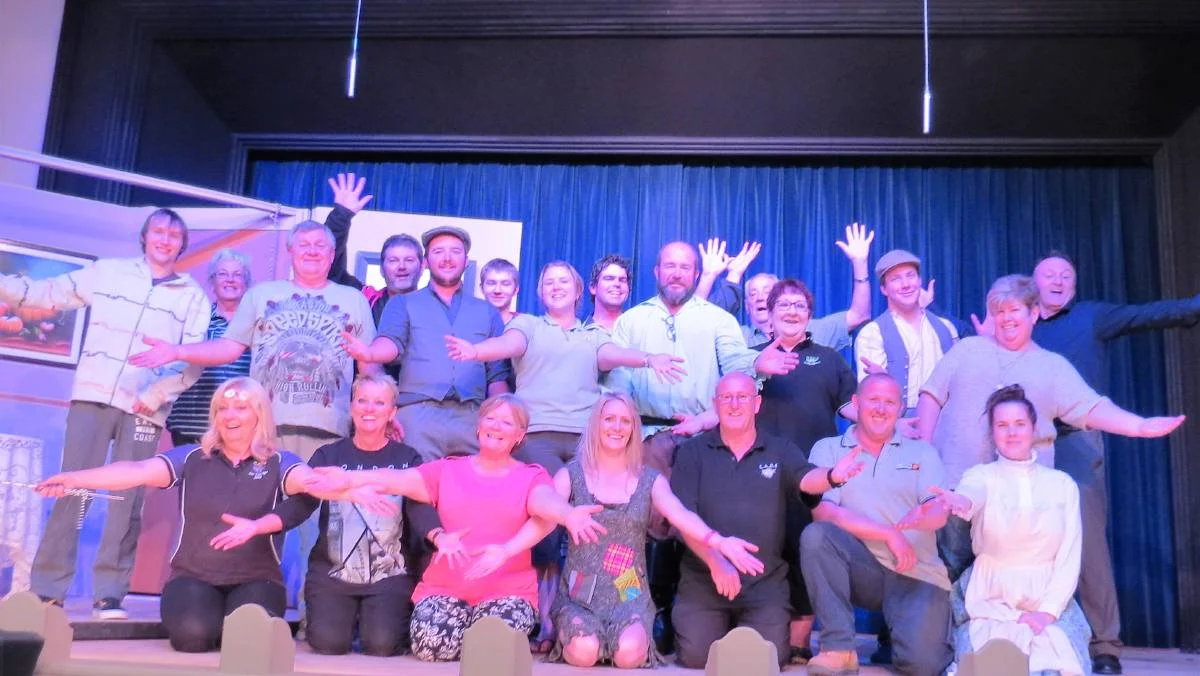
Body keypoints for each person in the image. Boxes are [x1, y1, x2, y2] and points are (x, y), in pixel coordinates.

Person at [131, 218, 378, 604]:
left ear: (332, 255)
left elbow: (368, 368)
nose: (313, 251)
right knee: (255, 523)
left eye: (321, 246)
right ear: (291, 252)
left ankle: (314, 617)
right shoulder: (261, 295)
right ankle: (249, 609)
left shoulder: (355, 300)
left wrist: (382, 413)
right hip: (264, 430)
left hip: (328, 430)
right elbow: (228, 348)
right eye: (304, 244)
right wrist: (178, 351)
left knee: (320, 530)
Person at [32, 377, 378, 652]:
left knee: (248, 641)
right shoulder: (193, 457)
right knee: (193, 635)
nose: (230, 416)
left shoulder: (279, 462)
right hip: (194, 577)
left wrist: (346, 489)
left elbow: (310, 481)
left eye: (240, 408)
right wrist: (75, 479)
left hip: (258, 580)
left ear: (259, 414)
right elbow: (136, 470)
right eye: (222, 408)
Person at [445, 260, 685, 649]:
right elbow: (508, 346)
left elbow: (612, 355)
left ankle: (618, 613)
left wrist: (648, 359)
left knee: (605, 526)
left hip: (586, 441)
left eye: (563, 282)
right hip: (537, 438)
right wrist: (475, 351)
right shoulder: (528, 326)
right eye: (548, 282)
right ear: (540, 292)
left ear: (577, 292)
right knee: (550, 522)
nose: (556, 286)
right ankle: (548, 621)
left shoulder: (592, 334)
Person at [1, 208, 211, 618]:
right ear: (145, 236)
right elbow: (46, 293)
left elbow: (193, 359)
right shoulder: (108, 272)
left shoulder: (193, 296)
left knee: (125, 499)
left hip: (144, 409)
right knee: (71, 488)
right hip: (92, 397)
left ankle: (109, 593)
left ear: (182, 245)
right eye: (158, 231)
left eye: (174, 235)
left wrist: (156, 394)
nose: (165, 239)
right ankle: (48, 589)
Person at [462, 392, 765, 668]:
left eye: (625, 421)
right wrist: (505, 550)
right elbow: (543, 522)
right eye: (609, 419)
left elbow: (680, 515)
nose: (617, 427)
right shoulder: (571, 475)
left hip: (629, 594)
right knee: (585, 652)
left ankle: (620, 640)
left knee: (629, 654)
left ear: (633, 429)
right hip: (579, 597)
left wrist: (719, 542)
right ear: (596, 424)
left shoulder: (650, 480)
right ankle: (581, 639)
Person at [916, 274, 1185, 578]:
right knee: (949, 580)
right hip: (955, 488)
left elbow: (1091, 407)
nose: (1006, 318)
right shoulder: (967, 349)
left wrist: (1139, 425)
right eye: (999, 311)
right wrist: (925, 452)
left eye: (1014, 310)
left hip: (1018, 503)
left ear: (1034, 313)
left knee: (1010, 584)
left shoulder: (1053, 366)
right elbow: (931, 395)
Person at [305, 394, 607, 662]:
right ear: (479, 426)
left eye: (507, 422)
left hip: (508, 592)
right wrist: (349, 479)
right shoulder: (447, 469)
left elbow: (545, 504)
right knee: (430, 645)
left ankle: (488, 643)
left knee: (490, 647)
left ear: (520, 435)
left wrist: (568, 515)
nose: (496, 426)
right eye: (490, 418)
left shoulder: (532, 476)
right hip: (445, 589)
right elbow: (395, 479)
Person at [1030, 251, 1200, 675]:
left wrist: (1194, 306)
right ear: (1034, 282)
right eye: (1049, 274)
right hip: (1024, 445)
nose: (1058, 280)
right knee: (1022, 540)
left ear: (1074, 285)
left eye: (1066, 275)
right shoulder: (1020, 323)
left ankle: (1104, 646)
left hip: (1076, 441)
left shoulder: (1091, 317)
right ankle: (1031, 641)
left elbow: (1144, 315)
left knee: (1088, 544)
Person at [668, 373, 865, 668]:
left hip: (764, 584)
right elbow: (683, 520)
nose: (735, 404)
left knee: (766, 659)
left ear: (757, 403)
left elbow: (806, 479)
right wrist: (716, 561)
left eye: (742, 397)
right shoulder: (691, 452)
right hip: (704, 579)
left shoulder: (781, 449)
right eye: (727, 397)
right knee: (698, 658)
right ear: (715, 404)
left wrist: (832, 477)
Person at [918, 385, 1088, 676]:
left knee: (1056, 665)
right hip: (990, 599)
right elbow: (971, 495)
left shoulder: (1062, 485)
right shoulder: (981, 476)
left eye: (1019, 424)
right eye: (1002, 425)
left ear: (1033, 428)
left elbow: (1069, 557)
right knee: (990, 666)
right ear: (992, 432)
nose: (1011, 433)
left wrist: (1047, 612)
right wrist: (960, 501)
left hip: (1047, 597)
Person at [801, 373, 953, 676]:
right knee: (816, 537)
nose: (881, 409)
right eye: (873, 400)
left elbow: (937, 512)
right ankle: (838, 648)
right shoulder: (828, 449)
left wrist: (930, 514)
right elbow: (824, 513)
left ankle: (900, 636)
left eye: (889, 402)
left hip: (916, 572)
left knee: (923, 665)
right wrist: (888, 534)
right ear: (856, 403)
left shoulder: (922, 452)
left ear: (900, 409)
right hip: (863, 570)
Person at [289, 373, 441, 656]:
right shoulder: (328, 455)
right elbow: (302, 502)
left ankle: (371, 620)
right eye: (362, 400)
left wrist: (438, 535)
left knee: (382, 645)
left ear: (392, 413)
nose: (369, 409)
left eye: (379, 403)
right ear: (351, 407)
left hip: (389, 574)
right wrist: (261, 524)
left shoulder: (407, 458)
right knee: (328, 644)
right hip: (333, 572)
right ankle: (345, 619)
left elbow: (420, 507)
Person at [340, 225, 512, 461]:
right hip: (416, 417)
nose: (447, 258)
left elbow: (497, 377)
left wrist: (501, 419)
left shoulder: (487, 311)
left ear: (466, 260)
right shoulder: (402, 304)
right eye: (438, 251)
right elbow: (391, 342)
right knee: (416, 483)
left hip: (473, 419)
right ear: (426, 262)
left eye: (455, 251)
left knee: (472, 485)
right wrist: (370, 354)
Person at [753, 278, 857, 663]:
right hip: (758, 474)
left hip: (813, 475)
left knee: (806, 552)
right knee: (764, 550)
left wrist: (889, 414)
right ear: (769, 313)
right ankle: (759, 632)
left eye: (799, 305)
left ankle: (799, 641)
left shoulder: (829, 360)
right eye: (784, 305)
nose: (792, 311)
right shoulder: (752, 359)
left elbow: (852, 408)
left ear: (810, 314)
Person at [852, 249, 958, 418]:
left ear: (919, 280)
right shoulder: (872, 334)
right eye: (896, 279)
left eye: (910, 276)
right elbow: (871, 400)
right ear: (884, 289)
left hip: (945, 421)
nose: (906, 284)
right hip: (894, 424)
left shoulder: (946, 327)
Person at [165, 248, 254, 446]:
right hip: (190, 423)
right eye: (222, 274)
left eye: (237, 275)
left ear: (246, 283)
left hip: (238, 425)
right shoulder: (195, 319)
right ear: (212, 282)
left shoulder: (256, 324)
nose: (230, 280)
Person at [740, 223, 875, 350]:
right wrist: (734, 275)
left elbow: (859, 315)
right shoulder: (739, 337)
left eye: (767, 292)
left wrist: (860, 263)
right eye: (753, 294)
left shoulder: (817, 330)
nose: (760, 297)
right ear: (747, 306)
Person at [586, 254, 634, 332]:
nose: (617, 284)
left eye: (622, 280)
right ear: (593, 288)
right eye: (609, 279)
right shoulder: (577, 334)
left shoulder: (639, 331)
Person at [481, 258, 521, 324]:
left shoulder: (527, 326)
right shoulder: (468, 321)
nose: (497, 290)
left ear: (515, 290)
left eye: (505, 284)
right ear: (482, 288)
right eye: (491, 283)